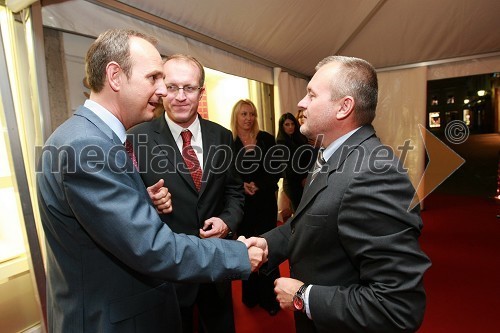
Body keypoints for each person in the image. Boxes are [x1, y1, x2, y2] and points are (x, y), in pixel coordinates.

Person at [36, 29, 264, 333]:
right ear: (115, 76)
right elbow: (150, 246)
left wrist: (145, 202)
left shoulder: (85, 138)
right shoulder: (87, 148)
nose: (163, 92)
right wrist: (237, 254)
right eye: (154, 78)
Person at [241, 56, 431, 333]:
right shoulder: (332, 152)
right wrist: (268, 243)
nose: (301, 104)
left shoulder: (374, 174)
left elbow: (397, 307)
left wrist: (303, 297)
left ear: (344, 107)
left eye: (311, 95)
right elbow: (309, 222)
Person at [128, 54, 243, 333]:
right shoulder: (135, 139)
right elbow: (124, 207)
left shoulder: (223, 137)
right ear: (160, 89)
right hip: (167, 274)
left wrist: (227, 221)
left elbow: (235, 194)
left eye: (189, 88)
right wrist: (147, 202)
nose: (180, 96)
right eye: (172, 87)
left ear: (200, 92)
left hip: (215, 266)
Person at [230, 99, 281, 316]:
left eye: (252, 114)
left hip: (265, 202)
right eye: (244, 114)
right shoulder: (228, 141)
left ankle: (271, 298)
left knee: (267, 249)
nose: (249, 118)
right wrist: (242, 185)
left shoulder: (267, 139)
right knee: (246, 249)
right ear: (236, 117)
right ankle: (250, 296)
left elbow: (278, 167)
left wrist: (258, 184)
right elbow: (224, 173)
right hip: (242, 205)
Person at [276, 112, 315, 211]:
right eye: (287, 124)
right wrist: (303, 178)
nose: (290, 127)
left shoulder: (300, 138)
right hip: (292, 183)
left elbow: (309, 159)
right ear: (282, 126)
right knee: (299, 212)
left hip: (305, 179)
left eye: (292, 124)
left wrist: (307, 176)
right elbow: (287, 168)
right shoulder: (280, 143)